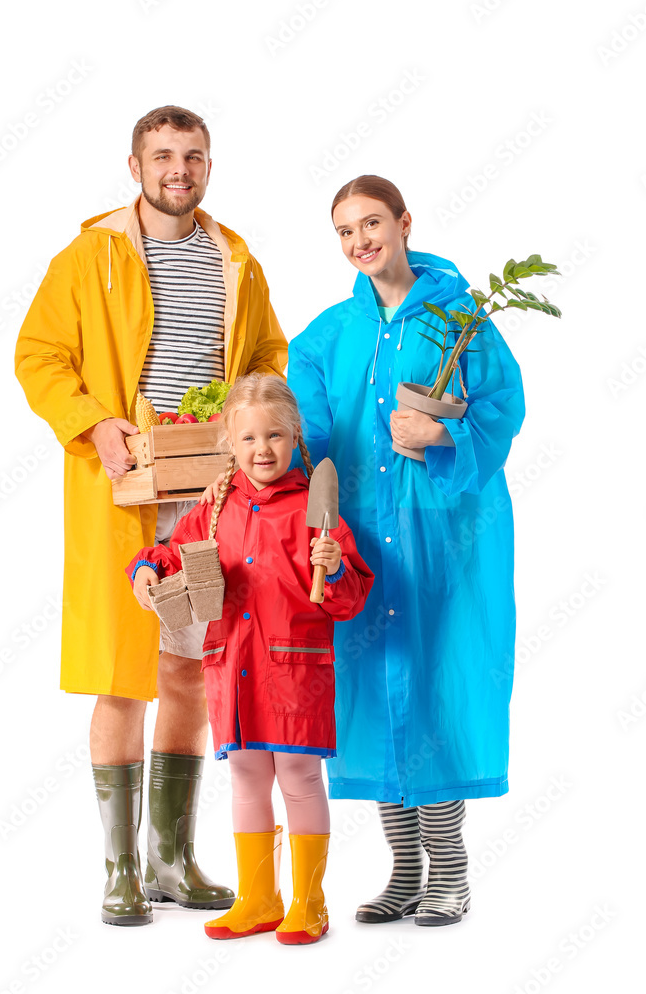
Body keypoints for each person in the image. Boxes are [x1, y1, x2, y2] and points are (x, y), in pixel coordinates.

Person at [14, 106, 288, 926]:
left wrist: (244, 424)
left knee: (188, 670)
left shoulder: (233, 257)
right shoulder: (91, 254)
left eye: (193, 156)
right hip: (122, 496)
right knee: (120, 676)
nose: (180, 170)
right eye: (163, 156)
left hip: (209, 500)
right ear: (133, 165)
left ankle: (172, 860)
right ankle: (119, 869)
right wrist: (95, 422)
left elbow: (267, 355)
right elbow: (37, 354)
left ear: (209, 164)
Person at [286, 175, 526, 926]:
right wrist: (307, 514)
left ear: (403, 222)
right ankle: (401, 872)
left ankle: (448, 871)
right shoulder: (327, 334)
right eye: (345, 231)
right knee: (370, 700)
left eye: (371, 223)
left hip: (446, 532)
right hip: (360, 540)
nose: (360, 241)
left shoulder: (462, 318)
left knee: (436, 686)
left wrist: (441, 434)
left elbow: (504, 406)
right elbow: (309, 439)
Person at [127, 374, 374, 943]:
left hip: (295, 669)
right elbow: (170, 552)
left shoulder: (316, 508)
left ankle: (309, 903)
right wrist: (147, 568)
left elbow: (350, 596)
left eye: (275, 436)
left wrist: (332, 566)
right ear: (229, 444)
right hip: (231, 664)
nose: (262, 449)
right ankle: (260, 898)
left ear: (295, 437)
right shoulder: (214, 509)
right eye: (248, 439)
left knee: (298, 774)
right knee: (246, 775)